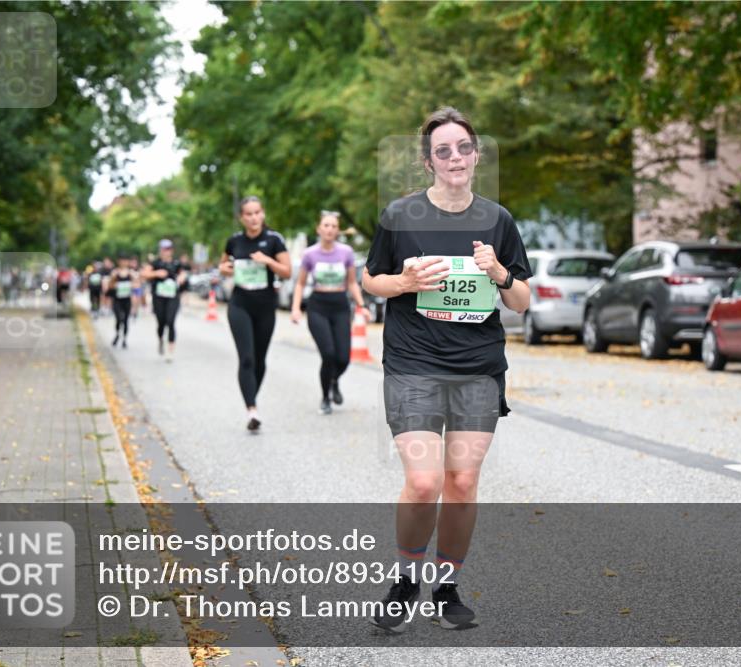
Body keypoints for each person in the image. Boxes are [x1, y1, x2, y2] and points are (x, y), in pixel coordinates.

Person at [362, 107, 531, 632]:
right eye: (443, 150)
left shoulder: (498, 220)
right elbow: (370, 281)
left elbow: (522, 301)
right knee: (423, 480)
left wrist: (500, 272)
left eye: (463, 148)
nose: (454, 157)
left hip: (478, 368)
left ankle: (447, 587)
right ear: (428, 160)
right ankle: (406, 578)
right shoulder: (400, 216)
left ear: (476, 154)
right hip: (414, 363)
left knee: (460, 482)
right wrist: (404, 283)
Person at [218, 196, 291, 432]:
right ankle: (252, 409)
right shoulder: (234, 241)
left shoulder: (274, 240)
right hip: (240, 304)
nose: (253, 218)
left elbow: (287, 272)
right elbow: (224, 266)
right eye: (248, 214)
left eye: (257, 212)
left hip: (265, 305)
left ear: (263, 214)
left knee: (260, 360)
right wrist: (224, 269)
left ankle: (252, 398)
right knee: (247, 358)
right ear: (242, 217)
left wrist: (267, 260)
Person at [291, 211, 368, 414]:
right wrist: (296, 308)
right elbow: (299, 284)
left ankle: (333, 380)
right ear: (319, 229)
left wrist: (361, 305)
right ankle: (325, 397)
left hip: (340, 306)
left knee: (343, 358)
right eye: (326, 225)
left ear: (337, 230)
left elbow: (352, 282)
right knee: (328, 354)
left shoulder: (346, 253)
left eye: (334, 226)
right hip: (318, 306)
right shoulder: (310, 254)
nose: (330, 229)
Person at [142, 240, 188, 361]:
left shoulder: (176, 263)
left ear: (171, 250)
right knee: (161, 322)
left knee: (171, 321)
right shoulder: (155, 262)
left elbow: (183, 274)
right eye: (163, 249)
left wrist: (181, 278)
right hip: (159, 297)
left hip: (173, 296)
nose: (165, 251)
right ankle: (161, 339)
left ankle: (170, 351)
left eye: (168, 249)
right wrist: (156, 273)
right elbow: (145, 273)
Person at [107, 253, 138, 348]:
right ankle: (117, 334)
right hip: (117, 299)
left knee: (125, 320)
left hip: (127, 299)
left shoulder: (131, 273)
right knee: (118, 318)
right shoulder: (115, 273)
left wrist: (131, 285)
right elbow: (110, 285)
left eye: (125, 261)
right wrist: (115, 283)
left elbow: (137, 285)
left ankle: (124, 339)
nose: (124, 263)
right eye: (122, 261)